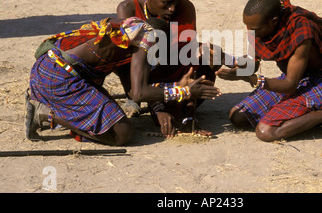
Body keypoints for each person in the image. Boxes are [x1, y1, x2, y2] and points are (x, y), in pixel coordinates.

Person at [25, 16, 220, 145]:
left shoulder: (129, 34)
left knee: (114, 121)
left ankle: (49, 107)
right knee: (122, 132)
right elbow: (138, 93)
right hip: (58, 78)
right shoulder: (146, 38)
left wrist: (161, 106)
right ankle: (45, 115)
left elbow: (132, 88)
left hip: (47, 71)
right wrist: (184, 92)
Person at [215, 0, 322, 142]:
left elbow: (290, 85)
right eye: (248, 27)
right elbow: (252, 65)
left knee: (265, 131)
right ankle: (308, 114)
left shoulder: (301, 30)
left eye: (255, 28)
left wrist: (250, 78)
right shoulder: (259, 28)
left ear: (273, 21)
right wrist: (222, 58)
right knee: (238, 116)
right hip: (297, 76)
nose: (250, 31)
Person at [115, 0, 219, 136]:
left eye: (175, 2)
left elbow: (190, 60)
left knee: (210, 52)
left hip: (174, 67)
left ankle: (182, 108)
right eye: (167, 3)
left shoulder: (185, 8)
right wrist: (156, 106)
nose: (172, 8)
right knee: (125, 59)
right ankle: (138, 98)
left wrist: (190, 115)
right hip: (144, 76)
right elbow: (128, 63)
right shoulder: (128, 9)